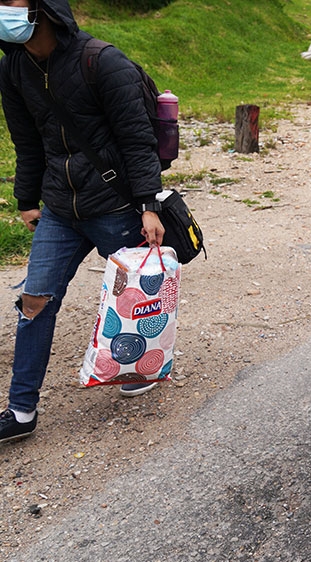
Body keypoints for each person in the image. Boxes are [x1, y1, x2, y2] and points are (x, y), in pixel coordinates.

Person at [0, 0, 166, 444]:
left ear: (42, 6)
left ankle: (140, 364)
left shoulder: (103, 62)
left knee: (134, 300)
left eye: (10, 1)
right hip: (59, 209)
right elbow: (27, 139)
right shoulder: (13, 68)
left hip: (114, 206)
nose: (2, 10)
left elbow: (137, 138)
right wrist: (26, 198)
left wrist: (149, 203)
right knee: (34, 301)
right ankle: (21, 410)